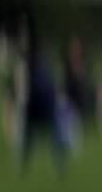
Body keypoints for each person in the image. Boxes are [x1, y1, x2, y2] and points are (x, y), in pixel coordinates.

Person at [19, 37, 68, 175]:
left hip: (39, 106)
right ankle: (59, 165)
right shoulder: (44, 66)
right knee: (53, 136)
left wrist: (27, 108)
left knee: (29, 137)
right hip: (45, 106)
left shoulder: (33, 67)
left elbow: (33, 91)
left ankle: (24, 165)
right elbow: (52, 89)